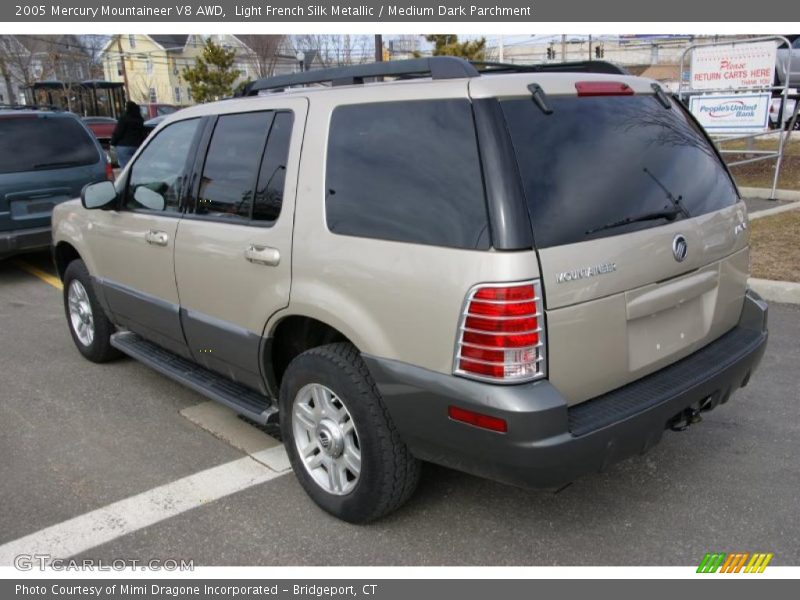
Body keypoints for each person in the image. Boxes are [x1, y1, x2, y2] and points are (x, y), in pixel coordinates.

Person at [111, 101, 147, 168]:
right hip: (137, 145)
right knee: (137, 166)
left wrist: (113, 142)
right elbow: (143, 133)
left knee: (126, 167)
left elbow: (118, 132)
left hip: (124, 146)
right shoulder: (140, 119)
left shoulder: (123, 118)